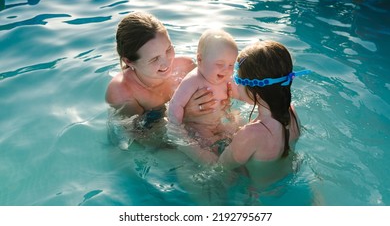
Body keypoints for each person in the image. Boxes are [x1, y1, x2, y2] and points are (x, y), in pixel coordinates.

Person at [105, 11, 230, 147]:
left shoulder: (185, 67)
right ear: (129, 61)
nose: (167, 63)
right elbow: (142, 140)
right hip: (169, 145)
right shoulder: (122, 92)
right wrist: (185, 115)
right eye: (154, 59)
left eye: (168, 49)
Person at [218, 40, 310, 188]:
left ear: (257, 92)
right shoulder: (292, 113)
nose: (236, 84)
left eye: (238, 79)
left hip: (259, 199)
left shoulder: (250, 134)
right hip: (289, 181)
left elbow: (220, 167)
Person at [167, 29, 239, 158]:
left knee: (239, 133)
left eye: (231, 65)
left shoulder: (226, 78)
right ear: (200, 60)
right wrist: (176, 127)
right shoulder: (193, 80)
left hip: (219, 123)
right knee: (211, 151)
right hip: (199, 127)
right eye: (220, 64)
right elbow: (175, 104)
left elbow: (241, 93)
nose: (226, 69)